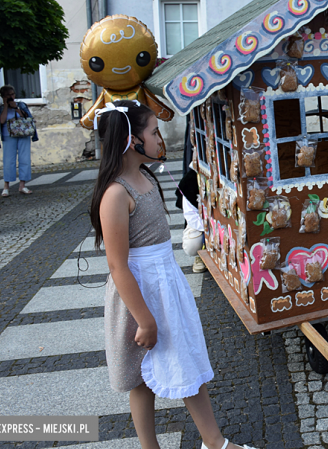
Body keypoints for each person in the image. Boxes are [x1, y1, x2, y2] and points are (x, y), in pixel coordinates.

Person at [89, 100, 254, 449]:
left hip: (165, 285)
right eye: (154, 131)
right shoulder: (116, 194)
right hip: (139, 295)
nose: (160, 138)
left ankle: (215, 442)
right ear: (132, 140)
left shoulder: (146, 177)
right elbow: (118, 266)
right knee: (140, 379)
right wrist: (144, 320)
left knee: (187, 360)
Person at [0, 85, 38, 197]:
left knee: (25, 159)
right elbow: (2, 121)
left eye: (12, 94)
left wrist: (16, 107)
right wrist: (6, 106)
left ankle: (22, 185)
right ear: (3, 96)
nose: (11, 96)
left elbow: (27, 118)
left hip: (23, 134)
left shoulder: (21, 105)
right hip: (8, 136)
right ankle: (6, 186)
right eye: (8, 95)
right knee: (8, 161)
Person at [176, 166, 207, 273]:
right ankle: (201, 253)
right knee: (193, 244)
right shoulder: (191, 179)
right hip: (201, 223)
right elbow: (191, 215)